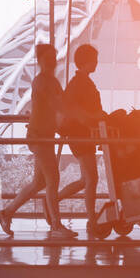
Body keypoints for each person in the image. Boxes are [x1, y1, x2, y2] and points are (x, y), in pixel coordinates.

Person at [0, 43, 77, 240]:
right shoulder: (43, 82)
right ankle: (56, 225)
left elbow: (56, 107)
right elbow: (57, 105)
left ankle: (7, 213)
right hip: (40, 136)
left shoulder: (48, 81)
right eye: (49, 58)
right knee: (53, 180)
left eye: (54, 57)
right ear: (41, 60)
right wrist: (76, 116)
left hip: (43, 135)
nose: (53, 61)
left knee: (39, 182)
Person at [56, 44, 104, 234]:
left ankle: (55, 200)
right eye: (95, 60)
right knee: (92, 178)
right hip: (81, 136)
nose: (97, 64)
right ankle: (92, 220)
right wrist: (95, 118)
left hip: (80, 136)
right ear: (87, 61)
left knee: (86, 179)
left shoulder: (79, 82)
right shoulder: (81, 84)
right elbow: (81, 111)